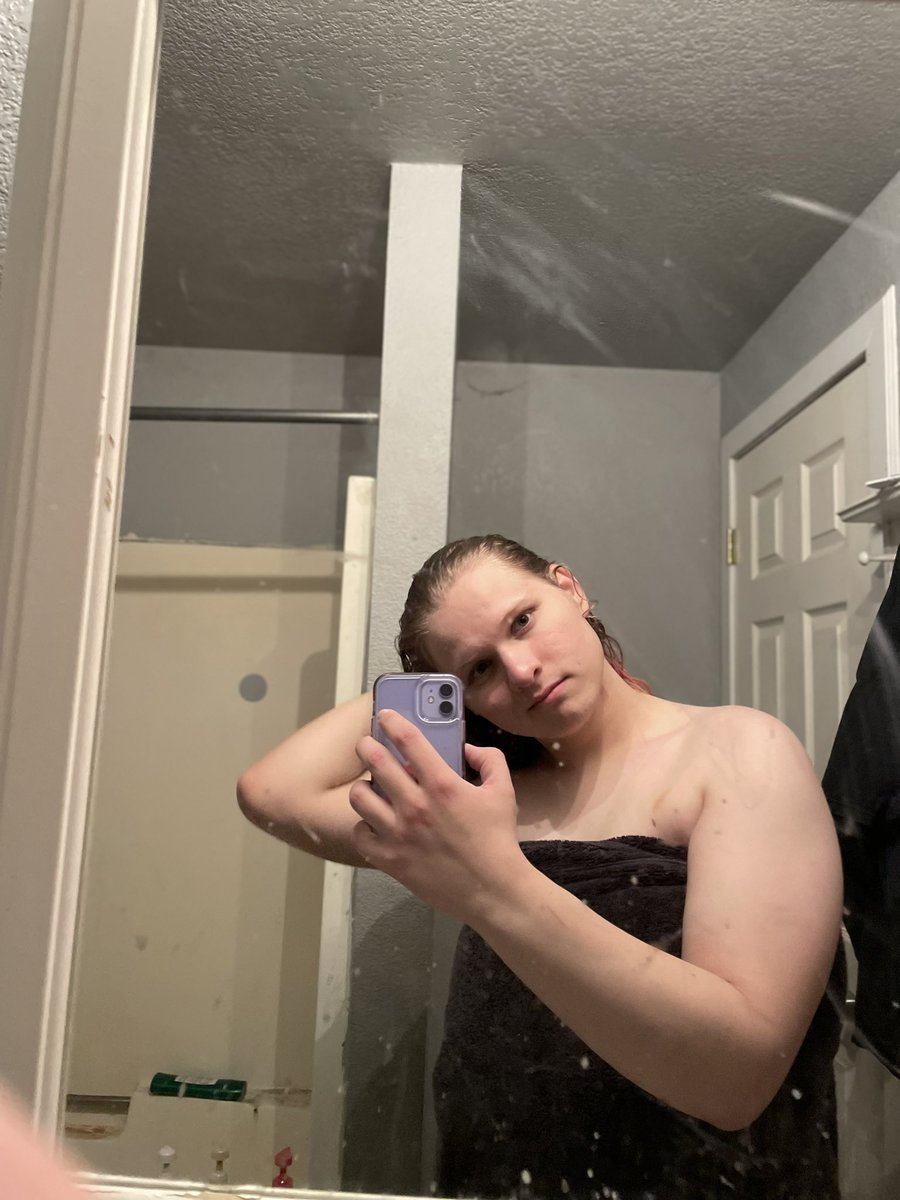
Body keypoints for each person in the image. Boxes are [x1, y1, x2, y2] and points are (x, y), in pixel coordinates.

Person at [237, 534, 846, 1200]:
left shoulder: (739, 751)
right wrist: (419, 690)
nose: (522, 671)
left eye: (522, 621)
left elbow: (734, 1079)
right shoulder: (477, 804)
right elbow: (273, 793)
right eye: (481, 670)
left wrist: (493, 882)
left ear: (570, 589)